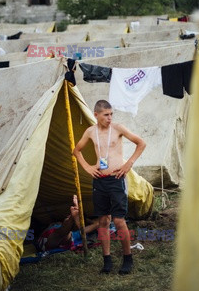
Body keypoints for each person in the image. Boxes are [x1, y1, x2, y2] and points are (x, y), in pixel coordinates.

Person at [73, 100, 146, 275]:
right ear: (96, 115)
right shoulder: (91, 131)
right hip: (100, 181)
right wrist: (88, 167)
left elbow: (141, 143)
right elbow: (76, 150)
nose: (110, 118)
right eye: (106, 115)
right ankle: (107, 260)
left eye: (111, 114)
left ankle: (127, 258)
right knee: (104, 221)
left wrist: (128, 164)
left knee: (119, 220)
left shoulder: (118, 128)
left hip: (117, 179)